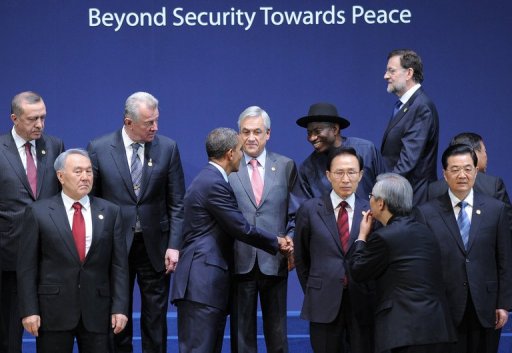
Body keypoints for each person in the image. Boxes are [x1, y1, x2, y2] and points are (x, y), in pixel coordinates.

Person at [171, 127, 293, 353]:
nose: (242, 153)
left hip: (206, 287)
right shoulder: (213, 183)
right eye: (239, 149)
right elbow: (242, 228)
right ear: (229, 154)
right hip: (201, 285)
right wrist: (277, 242)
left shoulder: (211, 179)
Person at [86, 92, 185, 353]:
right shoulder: (98, 148)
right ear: (129, 122)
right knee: (118, 316)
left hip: (156, 247)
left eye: (156, 120)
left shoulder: (168, 148)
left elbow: (177, 203)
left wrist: (174, 245)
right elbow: (91, 201)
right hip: (114, 247)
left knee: (155, 318)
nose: (155, 127)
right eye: (148, 123)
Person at [17, 149, 129, 353]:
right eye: (78, 171)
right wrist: (29, 310)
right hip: (53, 312)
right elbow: (27, 267)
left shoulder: (110, 212)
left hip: (97, 311)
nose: (85, 177)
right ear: (60, 176)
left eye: (89, 171)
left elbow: (119, 265)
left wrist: (120, 307)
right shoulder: (38, 212)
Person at [414, 144, 512, 353]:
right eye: (455, 169)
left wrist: (504, 304)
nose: (462, 175)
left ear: (476, 171)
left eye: (468, 169)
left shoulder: (496, 210)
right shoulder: (426, 213)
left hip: (486, 307)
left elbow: (505, 260)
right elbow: (421, 266)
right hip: (444, 308)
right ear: (445, 173)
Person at [349, 173, 456, 353]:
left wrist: (361, 237)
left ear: (381, 203)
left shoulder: (384, 237)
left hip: (405, 332)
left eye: (371, 197)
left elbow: (358, 270)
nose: (370, 201)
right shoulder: (426, 231)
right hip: (437, 328)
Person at [228, 106, 301, 353]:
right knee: (242, 336)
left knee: (277, 334)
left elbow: (295, 212)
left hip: (274, 260)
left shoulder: (286, 165)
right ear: (238, 134)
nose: (250, 137)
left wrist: (290, 239)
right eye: (245, 132)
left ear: (268, 134)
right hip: (240, 260)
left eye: (257, 132)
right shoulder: (230, 166)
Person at [0, 91, 64, 353]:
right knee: (8, 337)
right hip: (9, 257)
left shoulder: (55, 146)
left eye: (43, 118)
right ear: (15, 118)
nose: (40, 124)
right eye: (33, 119)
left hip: (49, 258)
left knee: (51, 335)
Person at [295, 147, 375, 353]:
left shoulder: (371, 211)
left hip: (362, 304)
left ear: (361, 175)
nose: (346, 179)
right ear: (328, 175)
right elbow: (302, 259)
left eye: (351, 172)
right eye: (339, 173)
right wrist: (316, 288)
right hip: (323, 302)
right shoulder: (310, 210)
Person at [381, 49, 439, 206]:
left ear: (409, 73)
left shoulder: (421, 107)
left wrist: (383, 191)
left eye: (391, 71)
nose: (386, 76)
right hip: (403, 194)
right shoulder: (407, 105)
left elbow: (408, 160)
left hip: (413, 198)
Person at [296, 102, 384, 200]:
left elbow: (386, 189)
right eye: (309, 133)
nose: (312, 138)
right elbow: (306, 210)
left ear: (335, 129)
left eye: (317, 131)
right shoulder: (307, 168)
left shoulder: (367, 150)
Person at [427, 132, 511, 207]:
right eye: (484, 151)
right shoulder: (493, 185)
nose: (486, 157)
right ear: (474, 153)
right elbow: (507, 221)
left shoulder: (433, 188)